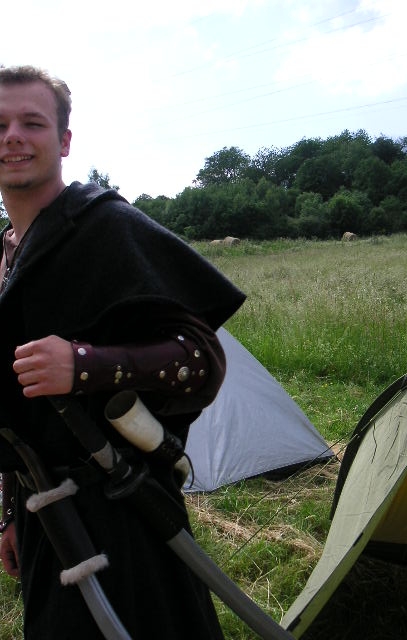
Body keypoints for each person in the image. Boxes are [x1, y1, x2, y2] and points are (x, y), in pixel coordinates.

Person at [0, 65, 246, 639]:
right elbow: (14, 405)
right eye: (0, 125)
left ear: (64, 141)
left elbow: (203, 360)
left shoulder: (106, 227)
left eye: (32, 123)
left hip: (122, 507)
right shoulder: (4, 253)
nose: (12, 137)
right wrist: (11, 510)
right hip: (44, 515)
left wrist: (82, 366)